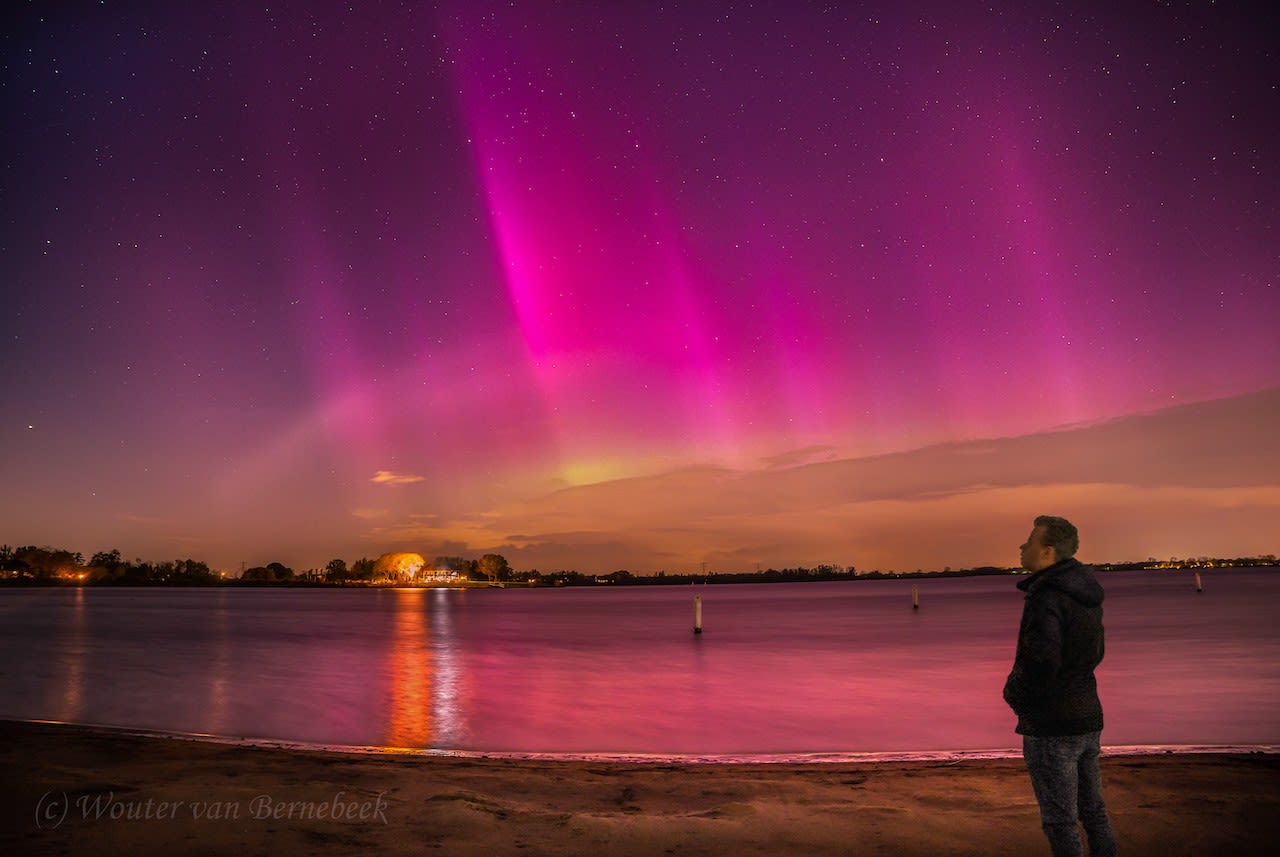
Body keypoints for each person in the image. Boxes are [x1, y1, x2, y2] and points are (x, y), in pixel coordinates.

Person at [1004, 515, 1118, 857]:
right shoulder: (1086, 594)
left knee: (1060, 820)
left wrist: (1014, 695)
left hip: (1052, 724)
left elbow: (1041, 662)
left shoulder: (1047, 597)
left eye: (1029, 542)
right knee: (1093, 811)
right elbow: (1095, 652)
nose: (1022, 547)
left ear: (1048, 552)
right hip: (1087, 714)